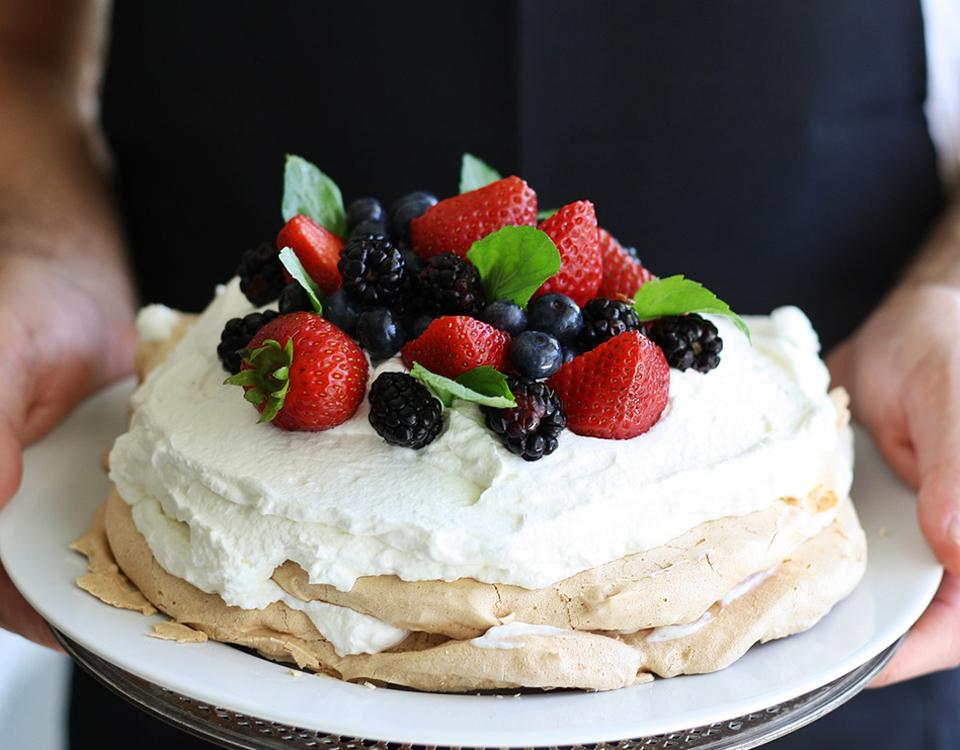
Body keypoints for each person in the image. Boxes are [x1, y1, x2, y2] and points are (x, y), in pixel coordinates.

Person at [1, 1, 959, 748]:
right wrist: (47, 253)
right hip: (211, 680)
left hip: (819, 617)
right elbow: (20, 48)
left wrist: (946, 299)